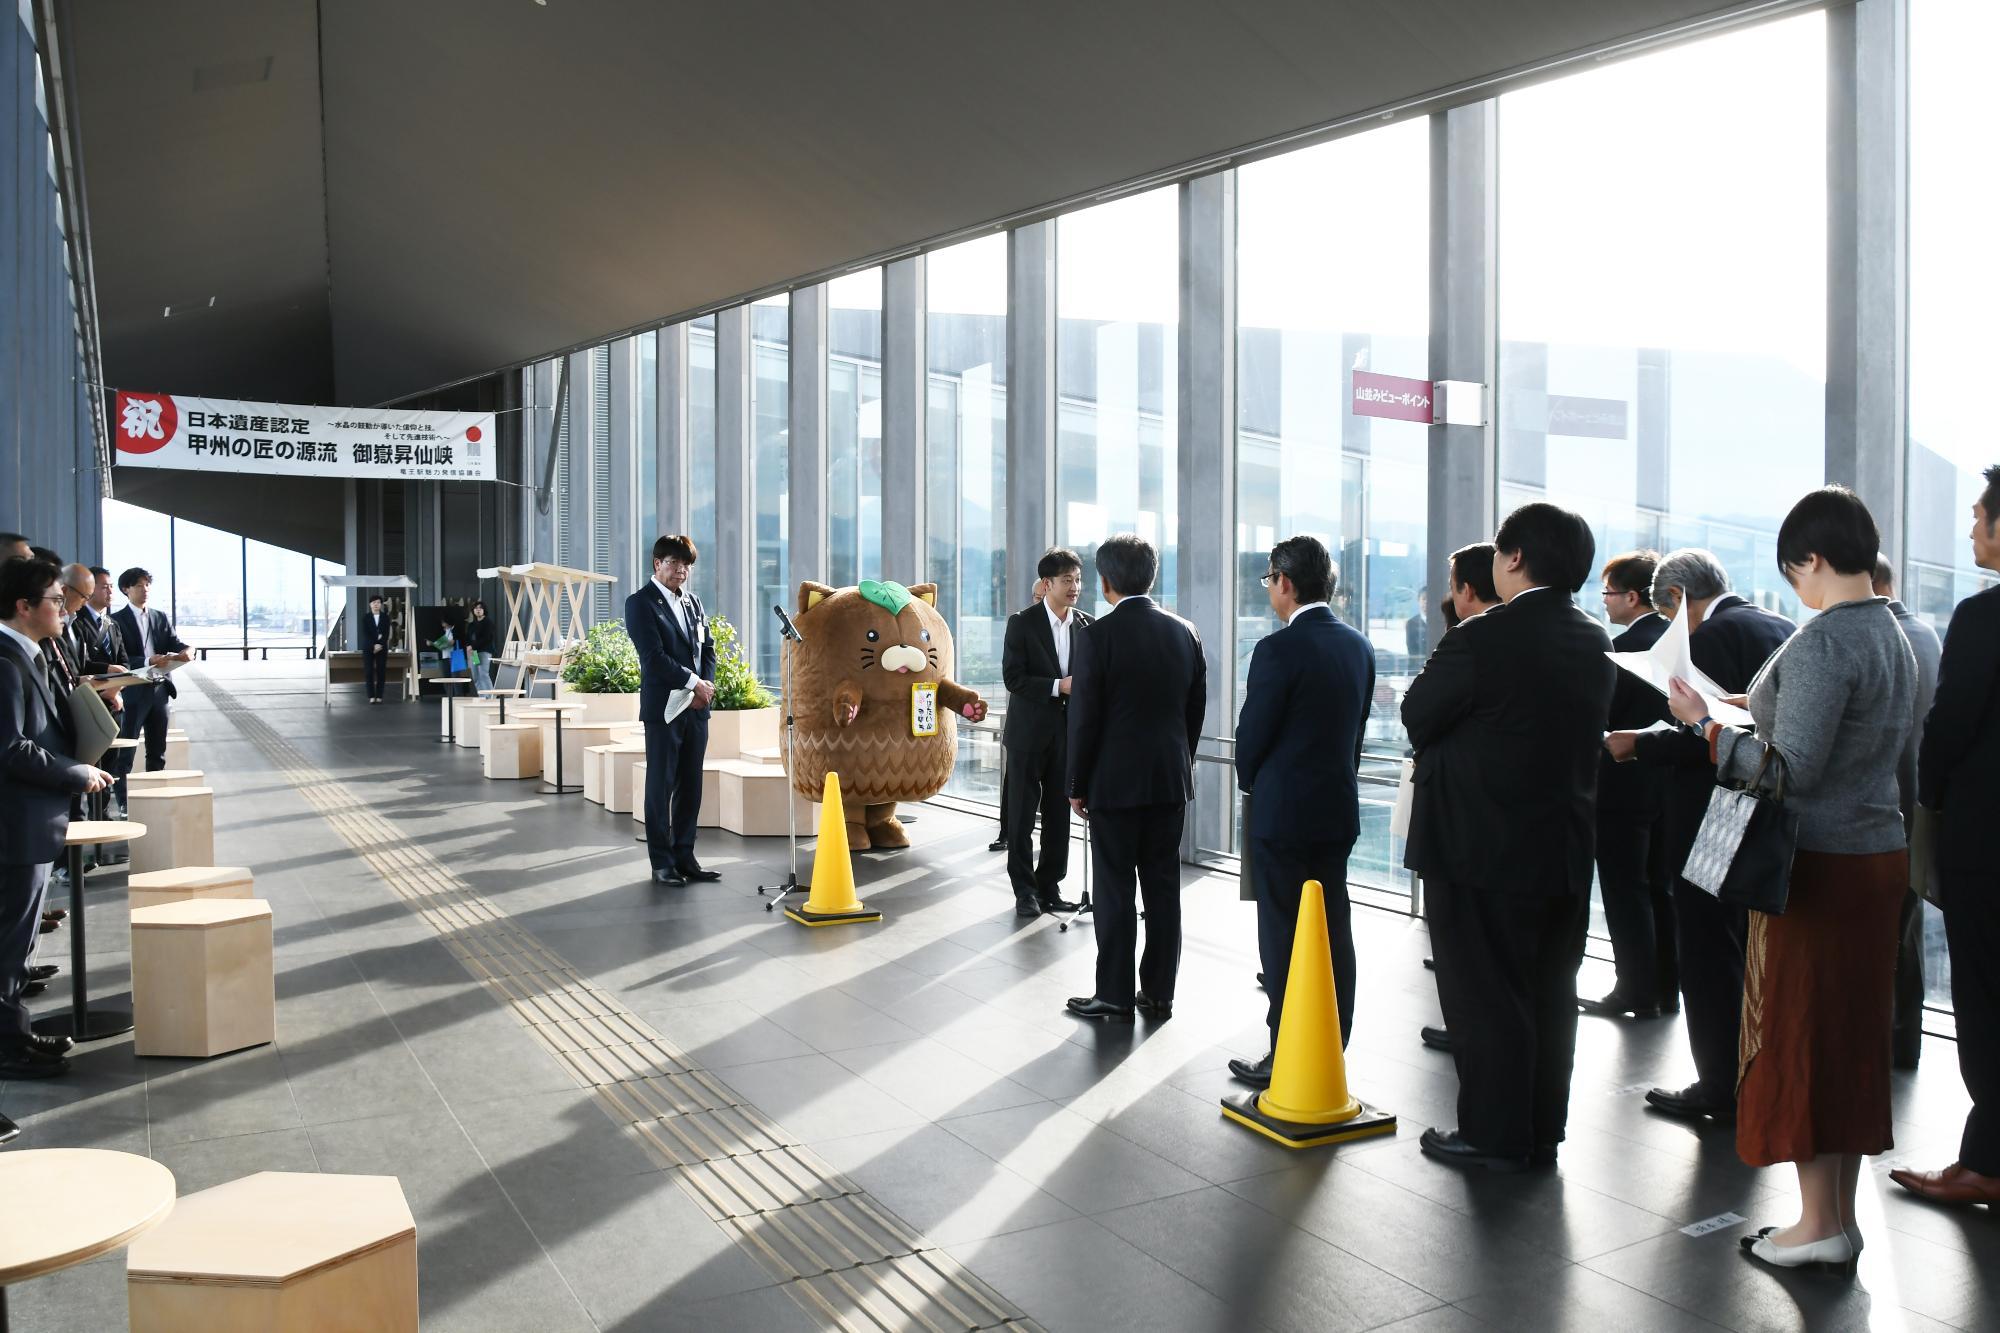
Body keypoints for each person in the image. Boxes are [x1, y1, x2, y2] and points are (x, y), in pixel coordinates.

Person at [1665, 486, 1913, 1274]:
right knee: (1848, 1040)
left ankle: (1814, 1225)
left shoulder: (1827, 641)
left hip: (1819, 863)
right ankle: (1834, 1218)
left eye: (1793, 570)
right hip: (1875, 854)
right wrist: (1731, 706)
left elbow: (1787, 770)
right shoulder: (1892, 632)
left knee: (1802, 1035)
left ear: (1811, 558)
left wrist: (1706, 729)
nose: (1795, 586)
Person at [1402, 503, 1615, 1172]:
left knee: (1484, 993)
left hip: (1476, 847)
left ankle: (1493, 1135)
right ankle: (1540, 1129)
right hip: (1562, 848)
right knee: (1552, 992)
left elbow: (1417, 714)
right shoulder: (1594, 637)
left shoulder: (1483, 636)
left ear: (1515, 557)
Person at [1607, 548, 1793, 1124]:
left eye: (1669, 619)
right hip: (1767, 812)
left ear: (1677, 601)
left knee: (1708, 948)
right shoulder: (1779, 626)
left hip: (1714, 815)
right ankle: (1755, 1073)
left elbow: (1701, 731)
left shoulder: (1710, 638)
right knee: (1747, 947)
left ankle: (1718, 1083)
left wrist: (1640, 741)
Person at [1228, 536, 1375, 1085]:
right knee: (1334, 926)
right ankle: (1334, 1040)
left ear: (1284, 582)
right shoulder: (1358, 645)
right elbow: (1354, 734)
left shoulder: (1277, 649)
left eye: (1269, 580)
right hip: (1335, 809)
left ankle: (1287, 1051)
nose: (1270, 590)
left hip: (1282, 815)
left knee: (1284, 934)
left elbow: (1253, 738)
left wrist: (1251, 784)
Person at [1892, 464, 2000, 1207]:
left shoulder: (1984, 617)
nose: (1970, 529)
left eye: (1977, 515)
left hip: (1987, 844)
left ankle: (1986, 1162)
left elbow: (1949, 725)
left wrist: (1927, 800)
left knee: (1988, 1002)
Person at [1064, 534, 1206, 1021]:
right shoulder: (1185, 632)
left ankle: (1115, 995)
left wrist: (1077, 785)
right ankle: (1160, 992)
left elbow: (1084, 719)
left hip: (1114, 784)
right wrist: (1178, 761)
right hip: (1169, 782)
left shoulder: (1097, 637)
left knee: (1115, 889)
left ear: (1104, 582)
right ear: (1152, 574)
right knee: (1164, 888)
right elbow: (1195, 710)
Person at [1, 556, 112, 1084]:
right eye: (55, 601)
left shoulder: (31, 654)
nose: (66, 610)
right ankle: (7, 1047)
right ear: (24, 608)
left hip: (32, 821)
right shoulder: (6, 662)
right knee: (8, 942)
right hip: (15, 826)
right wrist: (73, 772)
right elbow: (10, 748)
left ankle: (15, 1035)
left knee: (18, 943)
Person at [1581, 550, 1677, 1019]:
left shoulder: (1625, 650)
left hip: (1623, 785)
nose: (1604, 602)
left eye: (1608, 593)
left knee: (1624, 889)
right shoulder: (1678, 640)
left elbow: (1605, 715)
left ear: (1633, 596)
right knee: (1660, 885)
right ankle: (1666, 986)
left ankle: (1635, 989)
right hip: (1668, 781)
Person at [1417, 541, 1503, 1051]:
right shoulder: (1582, 635)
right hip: (1540, 829)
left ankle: (1470, 1040)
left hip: (1464, 822)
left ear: (1466, 590)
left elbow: (1417, 714)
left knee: (1464, 946)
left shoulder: (1471, 638)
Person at [1872, 555, 1941, 1070]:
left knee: (1883, 932)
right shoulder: (1924, 633)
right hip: (1917, 803)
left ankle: (1881, 1042)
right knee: (1906, 928)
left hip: (1884, 806)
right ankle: (1902, 1042)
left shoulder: (1883, 639)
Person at [1001, 551, 1090, 918]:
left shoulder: (1087, 626)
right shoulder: (1022, 623)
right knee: (1021, 817)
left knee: (1059, 815)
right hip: (1027, 735)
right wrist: (1058, 686)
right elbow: (1013, 678)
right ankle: (1024, 890)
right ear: (1047, 584)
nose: (1074, 587)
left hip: (1067, 736)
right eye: (1067, 580)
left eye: (1077, 580)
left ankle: (1049, 886)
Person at [627, 535, 718, 887]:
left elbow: (707, 648)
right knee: (660, 786)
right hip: (664, 709)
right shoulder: (641, 603)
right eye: (674, 563)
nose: (682, 570)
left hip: (695, 708)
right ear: (657, 564)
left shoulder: (693, 602)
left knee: (691, 784)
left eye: (687, 565)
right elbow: (653, 659)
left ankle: (686, 856)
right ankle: (661, 863)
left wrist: (704, 688)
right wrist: (695, 682)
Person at [111, 568, 191, 770]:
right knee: (126, 750)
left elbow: (175, 643)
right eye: (139, 585)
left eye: (147, 585)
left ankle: (154, 790)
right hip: (133, 689)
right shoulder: (116, 620)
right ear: (125, 589)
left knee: (158, 750)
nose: (145, 589)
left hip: (160, 689)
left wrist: (189, 650)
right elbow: (119, 658)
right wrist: (147, 660)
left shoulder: (159, 617)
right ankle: (123, 800)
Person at [357, 594, 394, 703]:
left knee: (381, 671)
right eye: (374, 603)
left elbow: (386, 633)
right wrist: (374, 644)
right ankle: (371, 696)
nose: (376, 604)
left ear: (381, 604)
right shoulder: (366, 617)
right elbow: (366, 633)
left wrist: (380, 644)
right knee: (368, 671)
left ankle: (379, 696)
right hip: (368, 648)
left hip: (382, 648)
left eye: (378, 602)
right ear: (370, 604)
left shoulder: (385, 617)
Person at [462, 599, 497, 695]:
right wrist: (469, 646)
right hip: (474, 653)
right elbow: (468, 638)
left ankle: (490, 697)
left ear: (484, 610)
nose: (478, 610)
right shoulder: (472, 625)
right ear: (473, 611)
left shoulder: (488, 623)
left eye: (480, 608)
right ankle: (482, 696)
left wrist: (472, 646)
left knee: (483, 674)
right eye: (476, 608)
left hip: (484, 652)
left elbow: (487, 638)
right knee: (476, 676)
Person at [1405, 590, 1429, 659]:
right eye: (1424, 599)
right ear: (1418, 601)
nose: (1426, 602)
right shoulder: (1411, 623)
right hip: (1417, 666)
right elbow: (1411, 649)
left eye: (1428, 598)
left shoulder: (1438, 621)